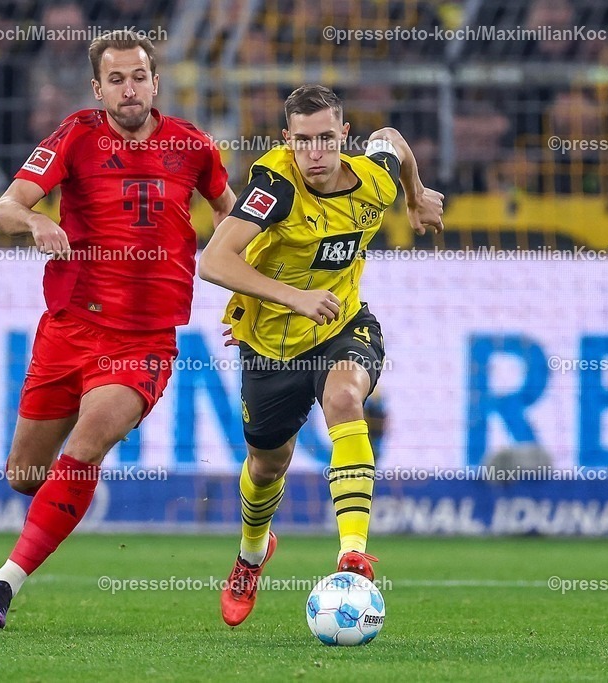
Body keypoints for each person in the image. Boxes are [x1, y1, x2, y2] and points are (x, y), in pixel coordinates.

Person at [0, 29, 236, 630]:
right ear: (98, 88)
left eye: (138, 76)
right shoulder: (76, 135)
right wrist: (35, 223)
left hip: (143, 340)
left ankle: (3, 586)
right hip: (69, 328)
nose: (129, 89)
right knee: (25, 476)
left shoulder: (192, 146)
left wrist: (238, 287)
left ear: (155, 81)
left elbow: (232, 214)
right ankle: (59, 496)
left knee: (85, 446)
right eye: (116, 79)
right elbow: (3, 207)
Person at [198, 84, 444, 627]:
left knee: (345, 397)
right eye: (303, 140)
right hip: (272, 345)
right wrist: (296, 299)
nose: (315, 152)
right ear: (287, 140)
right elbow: (213, 261)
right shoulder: (274, 186)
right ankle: (251, 556)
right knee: (268, 464)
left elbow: (394, 142)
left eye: (326, 139)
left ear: (343, 137)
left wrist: (415, 193)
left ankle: (352, 554)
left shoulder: (372, 179)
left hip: (342, 324)